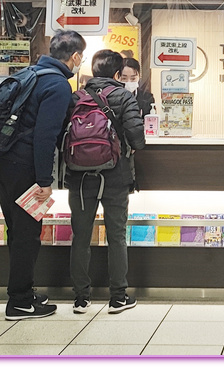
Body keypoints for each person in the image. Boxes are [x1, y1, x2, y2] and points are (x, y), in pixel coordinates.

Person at [0, 29, 86, 320]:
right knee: (27, 235)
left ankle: (24, 291)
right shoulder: (57, 85)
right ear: (76, 56)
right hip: (25, 168)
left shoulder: (29, 74)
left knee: (18, 231)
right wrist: (45, 181)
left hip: (3, 162)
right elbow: (45, 138)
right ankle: (19, 301)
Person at [67, 50, 146, 314]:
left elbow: (61, 137)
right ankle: (118, 297)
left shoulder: (76, 97)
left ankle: (81, 298)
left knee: (80, 236)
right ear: (116, 74)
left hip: (79, 177)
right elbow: (137, 139)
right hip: (115, 175)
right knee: (116, 235)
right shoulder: (123, 96)